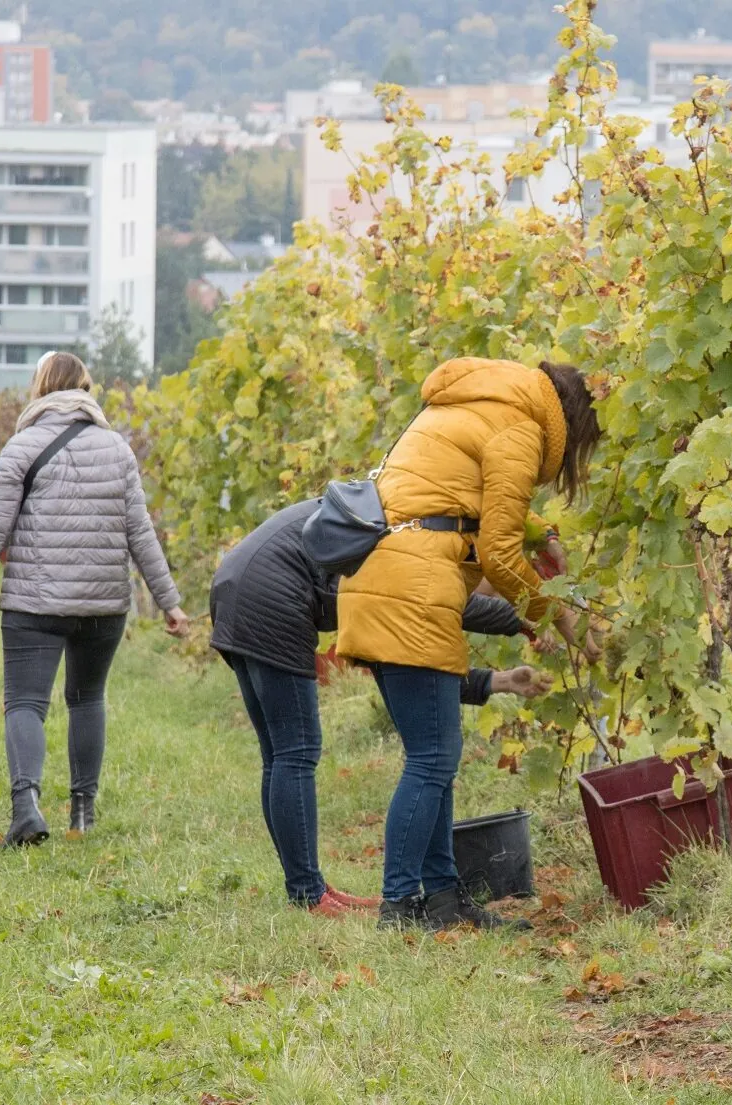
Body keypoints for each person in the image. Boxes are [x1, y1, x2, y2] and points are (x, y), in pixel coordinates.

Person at [335, 358, 602, 931]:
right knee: (432, 760)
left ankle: (443, 900)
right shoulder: (520, 427)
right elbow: (499, 554)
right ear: (574, 422)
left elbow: (464, 499)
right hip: (412, 590)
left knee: (436, 758)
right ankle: (401, 905)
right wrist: (558, 619)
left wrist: (543, 538)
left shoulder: (481, 403)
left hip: (384, 580)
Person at [211, 498, 557, 919]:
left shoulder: (400, 509)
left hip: (235, 583)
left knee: (280, 753)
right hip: (274, 592)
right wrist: (527, 617)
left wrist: (495, 678)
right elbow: (435, 607)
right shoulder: (422, 533)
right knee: (295, 752)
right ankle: (308, 893)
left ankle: (306, 890)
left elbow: (412, 663)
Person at [0, 351, 191, 846]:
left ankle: (27, 807)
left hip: (33, 604)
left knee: (24, 702)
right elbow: (140, 533)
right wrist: (169, 601)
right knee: (87, 700)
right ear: (85, 388)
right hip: (103, 605)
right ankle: (82, 813)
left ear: (40, 389)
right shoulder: (118, 449)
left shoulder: (21, 447)